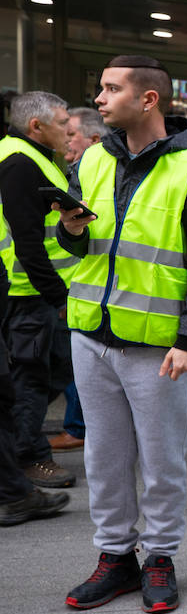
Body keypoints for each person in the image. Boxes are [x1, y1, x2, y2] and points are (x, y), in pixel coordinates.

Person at [58, 54, 187, 613]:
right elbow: (75, 246)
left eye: (111, 89)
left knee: (162, 463)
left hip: (158, 347)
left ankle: (158, 557)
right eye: (101, 88)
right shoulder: (90, 163)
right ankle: (115, 559)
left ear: (148, 99)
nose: (100, 99)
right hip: (91, 335)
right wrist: (69, 229)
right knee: (103, 460)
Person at [0, 91, 78, 489]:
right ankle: (30, 458)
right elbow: (28, 241)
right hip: (28, 291)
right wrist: (58, 296)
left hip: (33, 290)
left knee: (53, 370)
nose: (70, 130)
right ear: (37, 126)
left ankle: (16, 444)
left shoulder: (27, 158)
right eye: (63, 123)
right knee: (33, 376)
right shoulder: (19, 164)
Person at [51, 107, 109, 453]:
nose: (67, 142)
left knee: (73, 371)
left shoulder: (95, 175)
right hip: (72, 286)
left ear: (94, 139)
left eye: (71, 134)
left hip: (79, 286)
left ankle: (78, 428)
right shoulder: (73, 174)